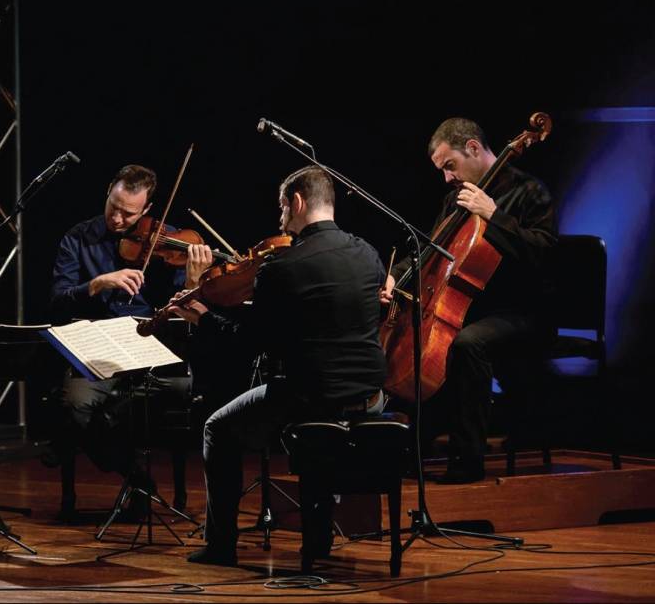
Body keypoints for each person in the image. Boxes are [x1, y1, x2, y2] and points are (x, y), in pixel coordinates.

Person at [170, 165, 388, 567]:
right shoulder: (368, 253)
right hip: (371, 395)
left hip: (312, 398)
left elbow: (247, 344)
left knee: (217, 428)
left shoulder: (283, 267)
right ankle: (318, 542)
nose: (281, 219)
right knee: (312, 396)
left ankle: (220, 546)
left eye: (282, 208)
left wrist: (202, 316)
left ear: (297, 202)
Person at [381, 117, 557, 484]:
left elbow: (545, 255)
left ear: (473, 148)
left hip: (521, 311)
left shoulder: (529, 192)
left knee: (466, 344)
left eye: (451, 165)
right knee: (418, 340)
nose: (448, 177)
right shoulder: (456, 199)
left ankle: (467, 461)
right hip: (470, 309)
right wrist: (397, 275)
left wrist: (493, 215)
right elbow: (430, 251)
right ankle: (408, 449)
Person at [48, 163, 212, 519]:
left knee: (177, 388)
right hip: (99, 347)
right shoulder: (78, 238)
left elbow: (186, 312)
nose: (118, 219)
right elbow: (58, 301)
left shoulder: (172, 242)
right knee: (75, 403)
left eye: (129, 213)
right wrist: (97, 283)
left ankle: (84, 438)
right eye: (114, 206)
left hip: (151, 345)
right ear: (108, 190)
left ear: (147, 209)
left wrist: (193, 281)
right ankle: (138, 478)